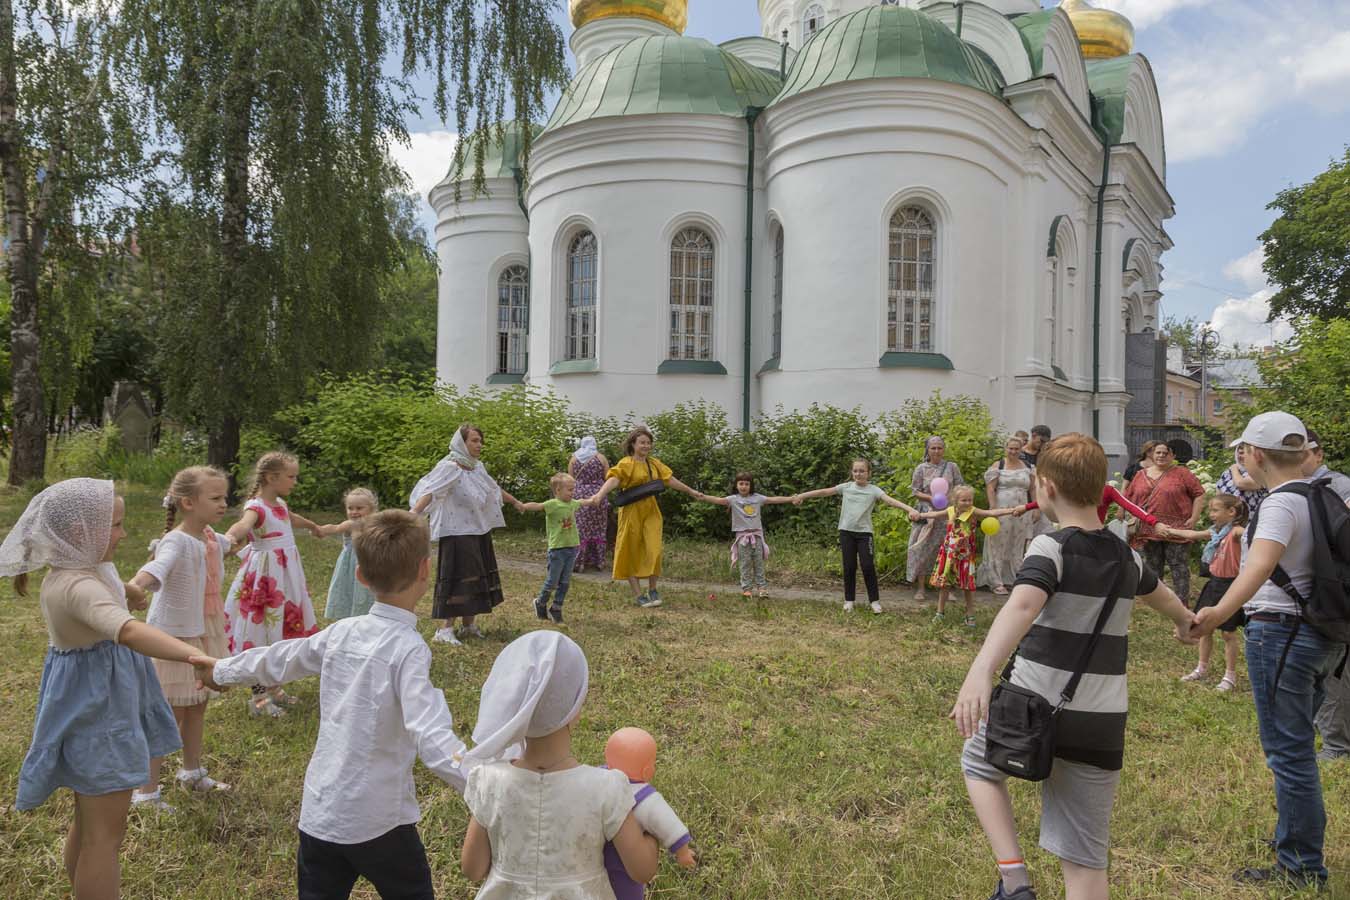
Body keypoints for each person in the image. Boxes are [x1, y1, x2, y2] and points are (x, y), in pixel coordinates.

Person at [951, 434, 1196, 900]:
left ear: (1044, 487)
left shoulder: (1050, 547)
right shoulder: (1127, 555)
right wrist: (1186, 621)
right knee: (1084, 860)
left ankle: (1015, 880)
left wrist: (981, 669)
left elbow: (1022, 606)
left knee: (980, 766)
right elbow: (1161, 595)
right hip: (1101, 720)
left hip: (1031, 701)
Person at [195, 510, 469, 900]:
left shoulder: (342, 632)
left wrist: (220, 669)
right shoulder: (408, 649)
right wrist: (482, 781)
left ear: (359, 575)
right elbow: (430, 732)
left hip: (321, 814)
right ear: (426, 571)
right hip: (381, 823)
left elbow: (280, 658)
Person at [1, 478, 211, 900]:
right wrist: (200, 659)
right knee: (104, 838)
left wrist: (134, 590)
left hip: (94, 711)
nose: (124, 534)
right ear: (81, 534)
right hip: (100, 718)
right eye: (116, 525)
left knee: (90, 821)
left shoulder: (89, 568)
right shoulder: (77, 586)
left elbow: (122, 594)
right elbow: (130, 633)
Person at [1193, 412, 1336, 889]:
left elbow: (1258, 568)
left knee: (1289, 754)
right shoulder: (1324, 493)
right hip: (1320, 634)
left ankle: (1300, 868)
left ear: (1255, 454)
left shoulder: (1278, 506)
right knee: (1297, 748)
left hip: (1281, 632)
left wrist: (1217, 614)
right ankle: (1293, 840)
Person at [459, 631, 660, 899]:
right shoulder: (605, 787)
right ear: (575, 707)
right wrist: (654, 829)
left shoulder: (489, 781)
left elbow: (472, 869)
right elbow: (641, 870)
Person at [127, 466, 234, 811]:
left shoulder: (209, 536)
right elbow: (159, 566)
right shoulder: (176, 540)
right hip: (176, 634)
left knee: (198, 703)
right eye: (216, 498)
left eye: (225, 497)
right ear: (188, 502)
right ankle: (146, 792)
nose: (223, 504)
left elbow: (231, 542)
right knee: (167, 712)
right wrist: (136, 586)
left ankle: (191, 771)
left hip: (204, 628)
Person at [222, 451, 322, 717]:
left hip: (286, 578)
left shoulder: (278, 503)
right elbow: (244, 524)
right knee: (260, 631)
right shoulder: (255, 507)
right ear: (271, 477)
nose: (294, 482)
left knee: (278, 630)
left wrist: (312, 525)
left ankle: (275, 687)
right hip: (265, 581)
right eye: (291, 477)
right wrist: (230, 538)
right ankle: (259, 697)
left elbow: (289, 517)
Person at [411, 424, 520, 646]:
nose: (479, 445)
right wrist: (414, 513)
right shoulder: (450, 467)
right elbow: (432, 491)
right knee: (459, 578)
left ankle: (469, 625)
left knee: (476, 577)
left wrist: (516, 502)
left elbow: (493, 489)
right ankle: (445, 630)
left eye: (480, 441)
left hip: (478, 529)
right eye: (474, 440)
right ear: (462, 442)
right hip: (456, 531)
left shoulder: (477, 467)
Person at [591, 426, 702, 609]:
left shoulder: (654, 463)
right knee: (630, 549)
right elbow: (614, 480)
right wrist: (599, 495)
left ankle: (653, 589)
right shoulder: (626, 463)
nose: (646, 446)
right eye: (642, 442)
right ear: (633, 444)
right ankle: (638, 594)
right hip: (631, 511)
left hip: (651, 510)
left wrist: (691, 491)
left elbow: (670, 480)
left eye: (648, 443)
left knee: (654, 548)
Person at [793, 458, 921, 614]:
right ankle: (849, 601)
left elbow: (891, 501)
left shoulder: (874, 490)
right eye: (855, 471)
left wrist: (909, 509)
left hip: (865, 534)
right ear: (851, 472)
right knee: (849, 567)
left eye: (862, 471)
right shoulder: (846, 487)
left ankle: (874, 601)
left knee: (868, 566)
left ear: (868, 473)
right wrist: (802, 496)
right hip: (846, 532)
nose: (858, 474)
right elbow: (824, 492)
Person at [1166, 494, 1248, 692]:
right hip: (1214, 584)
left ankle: (1230, 675)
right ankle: (1201, 668)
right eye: (1210, 510)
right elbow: (1193, 535)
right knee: (1205, 629)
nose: (1211, 514)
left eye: (1215, 510)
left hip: (1231, 587)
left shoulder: (1235, 531)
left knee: (1228, 633)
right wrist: (1169, 531)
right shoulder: (1216, 533)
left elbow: (1248, 534)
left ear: (1231, 512)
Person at [1303, 429, 1350, 763]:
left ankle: (1336, 746)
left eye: (1303, 451)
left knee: (1336, 671)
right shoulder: (1297, 488)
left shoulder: (1337, 486)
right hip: (1322, 592)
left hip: (1336, 592)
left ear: (1318, 454)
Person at [911, 484, 1015, 626]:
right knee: (945, 585)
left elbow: (991, 513)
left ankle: (970, 614)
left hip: (965, 556)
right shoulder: (950, 511)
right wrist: (920, 515)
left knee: (967, 587)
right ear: (955, 500)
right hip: (949, 554)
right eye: (963, 500)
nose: (967, 503)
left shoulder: (972, 512)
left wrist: (1011, 510)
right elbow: (934, 514)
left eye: (970, 500)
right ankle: (940, 613)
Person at [514, 472, 603, 624]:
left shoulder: (572, 503)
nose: (572, 492)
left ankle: (556, 608)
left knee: (565, 582)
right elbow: (538, 505)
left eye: (573, 489)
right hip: (557, 550)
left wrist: (592, 500)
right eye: (569, 489)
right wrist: (523, 506)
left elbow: (582, 501)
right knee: (552, 581)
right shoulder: (552, 504)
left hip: (571, 548)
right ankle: (540, 602)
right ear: (557, 491)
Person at [1123, 441, 1205, 602]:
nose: (1161, 456)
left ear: (1172, 456)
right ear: (1151, 455)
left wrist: (1194, 517)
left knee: (1178, 566)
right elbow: (1129, 498)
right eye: (1157, 452)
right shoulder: (1140, 475)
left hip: (1177, 528)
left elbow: (1199, 493)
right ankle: (1157, 601)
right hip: (1148, 529)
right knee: (1153, 566)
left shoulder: (1182, 473)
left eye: (1165, 453)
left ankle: (1182, 601)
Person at [691, 471, 794, 599]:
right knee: (745, 564)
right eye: (741, 483)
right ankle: (746, 590)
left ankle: (762, 589)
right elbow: (718, 500)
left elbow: (775, 499)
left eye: (746, 484)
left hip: (756, 536)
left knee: (758, 563)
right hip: (742, 538)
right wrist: (703, 497)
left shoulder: (757, 498)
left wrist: (791, 498)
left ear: (751, 486)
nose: (744, 486)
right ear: (736, 485)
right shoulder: (733, 499)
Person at [907, 436, 965, 602]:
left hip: (948, 514)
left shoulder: (952, 467)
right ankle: (921, 588)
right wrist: (931, 498)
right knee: (923, 549)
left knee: (947, 549)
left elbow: (960, 487)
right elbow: (915, 491)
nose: (937, 451)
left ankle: (946, 588)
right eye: (933, 448)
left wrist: (952, 499)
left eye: (939, 448)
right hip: (926, 513)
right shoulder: (921, 469)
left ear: (944, 449)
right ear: (928, 450)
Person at [979, 436, 1037, 594]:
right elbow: (991, 488)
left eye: (1016, 449)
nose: (1013, 451)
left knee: (1017, 544)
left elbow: (1032, 489)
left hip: (1022, 510)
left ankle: (1011, 577)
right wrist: (993, 509)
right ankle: (995, 580)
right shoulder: (999, 465)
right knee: (998, 543)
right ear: (1005, 449)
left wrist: (1036, 507)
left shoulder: (1028, 466)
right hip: (1002, 508)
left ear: (1021, 449)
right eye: (1010, 448)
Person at [320, 488, 380, 620]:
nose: (354, 512)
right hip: (350, 567)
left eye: (359, 508)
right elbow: (334, 527)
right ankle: (347, 617)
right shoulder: (350, 525)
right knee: (349, 590)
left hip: (370, 565)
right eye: (350, 508)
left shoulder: (375, 525)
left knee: (368, 593)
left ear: (371, 509)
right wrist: (320, 530)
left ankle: (370, 617)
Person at [569, 436, 611, 573]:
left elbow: (570, 479)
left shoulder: (574, 458)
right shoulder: (601, 458)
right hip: (597, 496)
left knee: (580, 529)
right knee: (598, 529)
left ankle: (578, 561)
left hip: (579, 496)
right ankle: (597, 561)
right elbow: (608, 477)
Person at [1216, 444, 1268, 517]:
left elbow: (1240, 484)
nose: (1242, 456)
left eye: (1245, 453)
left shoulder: (1261, 472)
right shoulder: (1227, 473)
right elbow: (1219, 494)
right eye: (1240, 453)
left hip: (1252, 520)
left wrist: (1234, 468)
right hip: (1229, 520)